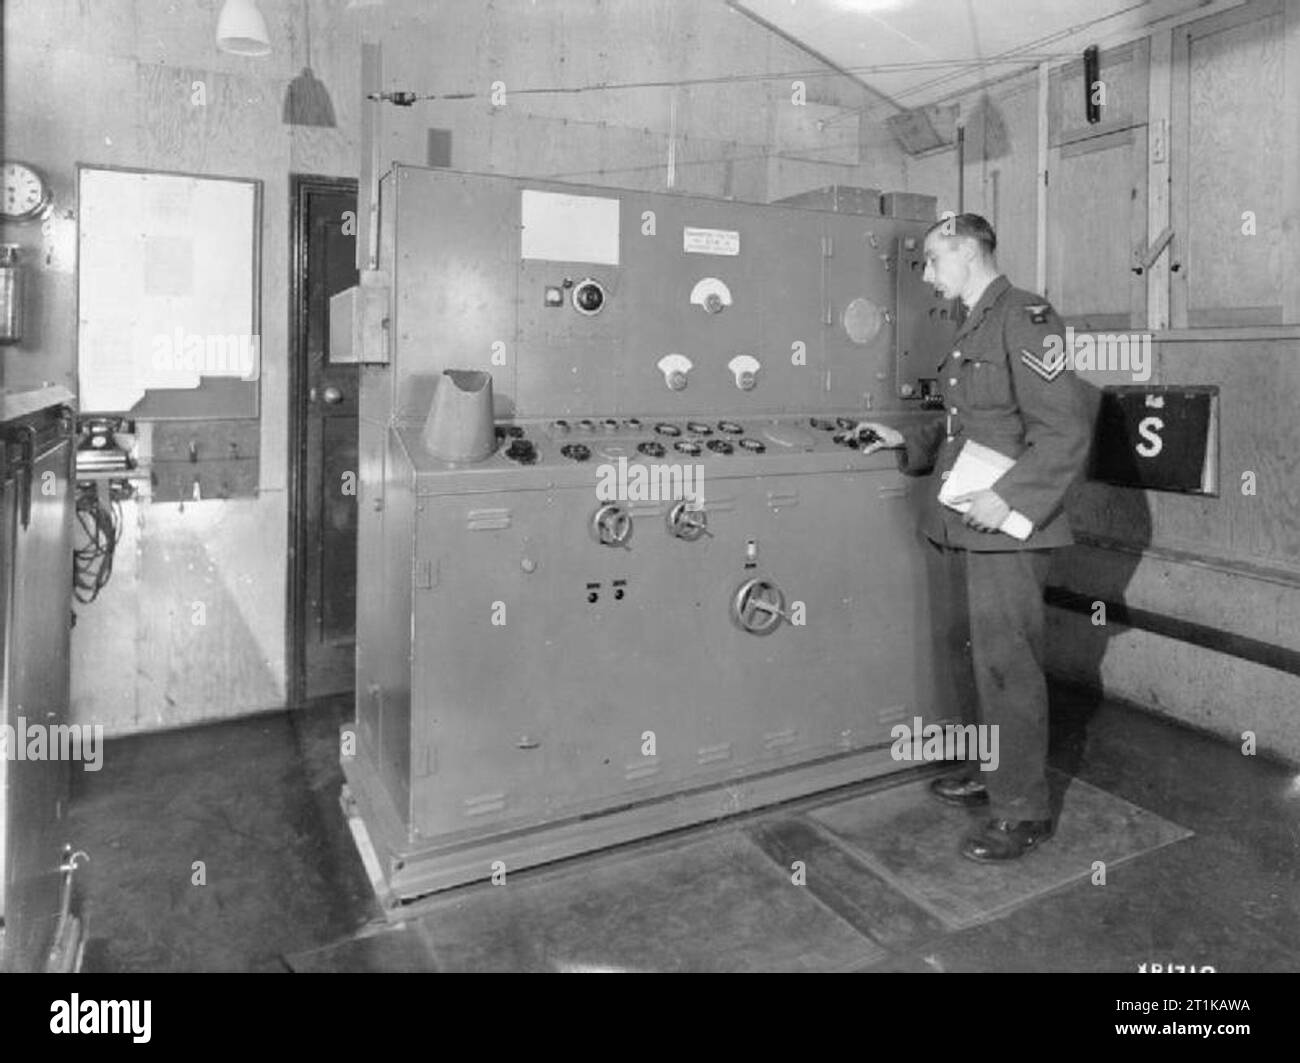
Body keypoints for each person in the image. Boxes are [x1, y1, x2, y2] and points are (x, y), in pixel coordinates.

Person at [857, 212, 1093, 862]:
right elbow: (973, 425)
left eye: (933, 261)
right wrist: (909, 439)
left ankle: (1022, 809)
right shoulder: (975, 320)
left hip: (1007, 527)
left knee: (1007, 665)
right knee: (968, 650)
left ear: (965, 252)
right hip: (964, 518)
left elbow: (1065, 431)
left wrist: (1008, 497)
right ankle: (990, 769)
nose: (928, 277)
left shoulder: (1027, 315)